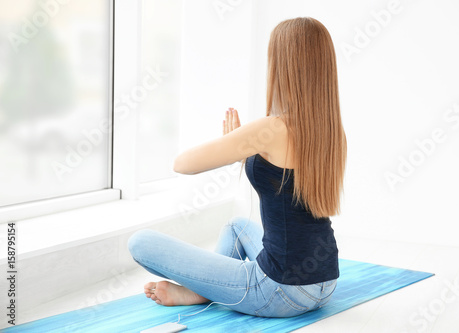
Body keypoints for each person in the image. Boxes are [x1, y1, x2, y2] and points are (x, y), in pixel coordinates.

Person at [127, 17, 347, 318]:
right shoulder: (332, 132)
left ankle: (205, 292)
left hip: (278, 291)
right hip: (324, 282)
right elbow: (288, 179)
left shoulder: (271, 129)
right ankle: (203, 291)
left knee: (140, 242)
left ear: (283, 67)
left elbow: (182, 164)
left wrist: (235, 142)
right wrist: (244, 148)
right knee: (236, 226)